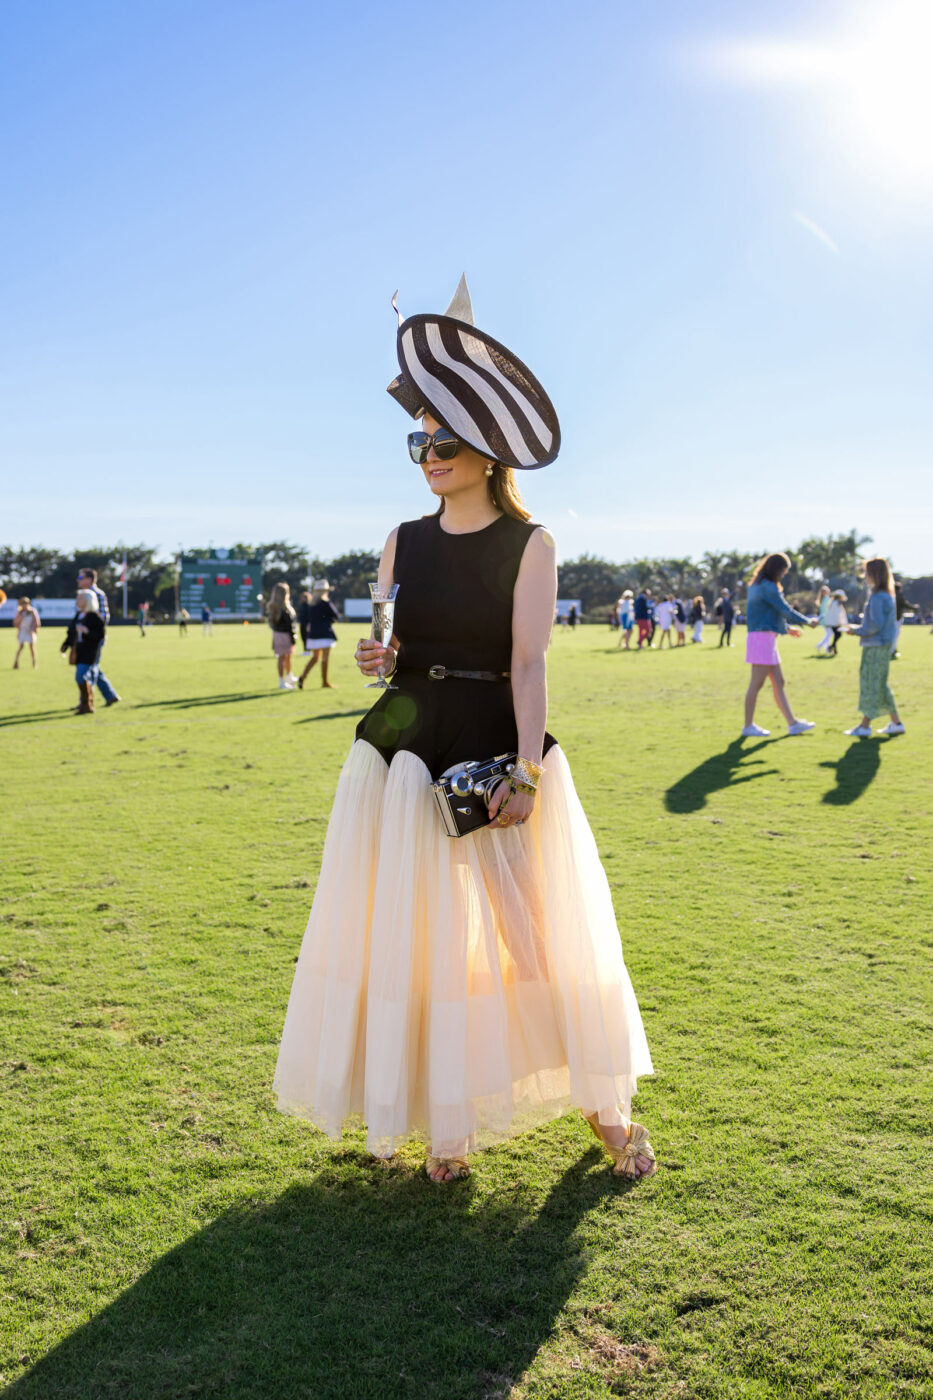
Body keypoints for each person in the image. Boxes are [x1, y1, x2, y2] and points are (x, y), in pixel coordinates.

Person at [274, 276, 656, 1185]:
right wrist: (380, 659)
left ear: (488, 452)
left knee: (529, 932)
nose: (429, 456)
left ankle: (606, 1109)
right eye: (419, 441)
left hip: (489, 745)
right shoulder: (401, 537)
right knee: (406, 934)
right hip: (398, 746)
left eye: (444, 442)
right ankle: (442, 1132)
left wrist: (523, 770)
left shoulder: (530, 544)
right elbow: (389, 641)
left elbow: (529, 664)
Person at [742, 552, 817, 738]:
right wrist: (807, 621)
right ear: (776, 569)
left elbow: (770, 612)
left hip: (765, 637)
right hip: (762, 639)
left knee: (779, 681)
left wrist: (787, 628)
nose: (784, 574)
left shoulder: (758, 585)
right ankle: (748, 727)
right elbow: (784, 609)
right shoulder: (767, 587)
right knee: (756, 684)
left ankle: (792, 724)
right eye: (784, 570)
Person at [842, 557, 904, 737]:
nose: (865, 575)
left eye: (867, 572)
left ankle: (864, 726)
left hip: (876, 645)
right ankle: (896, 723)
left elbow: (874, 625)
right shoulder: (886, 595)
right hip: (882, 645)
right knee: (880, 684)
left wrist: (856, 631)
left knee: (871, 685)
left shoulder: (878, 597)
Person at [76, 568, 121, 706]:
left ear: (89, 579)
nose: (78, 580)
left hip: (94, 638)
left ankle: (87, 701)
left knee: (90, 668)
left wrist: (91, 630)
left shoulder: (98, 594)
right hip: (83, 638)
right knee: (93, 666)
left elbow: (103, 618)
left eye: (81, 577)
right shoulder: (82, 594)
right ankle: (110, 695)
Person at [61, 588, 105, 714]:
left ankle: (87, 704)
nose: (77, 601)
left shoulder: (95, 617)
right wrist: (66, 644)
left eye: (79, 598)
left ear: (87, 601)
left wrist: (87, 632)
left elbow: (100, 635)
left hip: (89, 652)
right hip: (78, 650)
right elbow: (71, 632)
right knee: (83, 677)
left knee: (80, 676)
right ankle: (86, 704)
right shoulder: (78, 615)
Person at [298, 579, 340, 689]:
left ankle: (303, 676)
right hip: (325, 633)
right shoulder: (326, 603)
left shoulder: (311, 604)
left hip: (313, 634)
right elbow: (335, 615)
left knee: (315, 658)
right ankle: (325, 682)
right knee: (325, 659)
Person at [268, 581, 298, 688]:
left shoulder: (274, 607)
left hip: (278, 634)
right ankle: (282, 682)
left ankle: (289, 676)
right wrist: (292, 637)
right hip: (285, 635)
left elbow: (271, 623)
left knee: (287, 657)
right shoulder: (283, 609)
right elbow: (289, 625)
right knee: (282, 658)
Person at [891, 581, 918, 659]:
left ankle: (892, 650)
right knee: (895, 635)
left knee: (892, 635)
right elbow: (906, 605)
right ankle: (892, 651)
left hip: (890, 619)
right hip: (897, 618)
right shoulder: (899, 596)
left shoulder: (890, 595)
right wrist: (915, 607)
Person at [12, 597, 40, 669]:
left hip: (30, 631)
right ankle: (16, 662)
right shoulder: (20, 612)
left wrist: (34, 630)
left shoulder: (32, 611)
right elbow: (15, 623)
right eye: (22, 604)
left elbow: (37, 622)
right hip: (22, 631)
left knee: (32, 647)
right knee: (20, 647)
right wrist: (20, 619)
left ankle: (34, 663)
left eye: (25, 603)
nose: (24, 605)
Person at [825, 590, 848, 656]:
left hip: (834, 622)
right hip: (834, 623)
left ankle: (834, 649)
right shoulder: (835, 603)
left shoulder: (836, 603)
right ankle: (832, 647)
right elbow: (836, 614)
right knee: (838, 635)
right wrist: (838, 622)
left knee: (836, 635)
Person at [815, 585, 833, 654]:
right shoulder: (827, 599)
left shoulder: (823, 599)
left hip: (823, 619)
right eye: (827, 590)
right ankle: (819, 645)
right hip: (826, 619)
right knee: (830, 634)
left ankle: (826, 650)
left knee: (828, 634)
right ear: (825, 592)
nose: (829, 591)